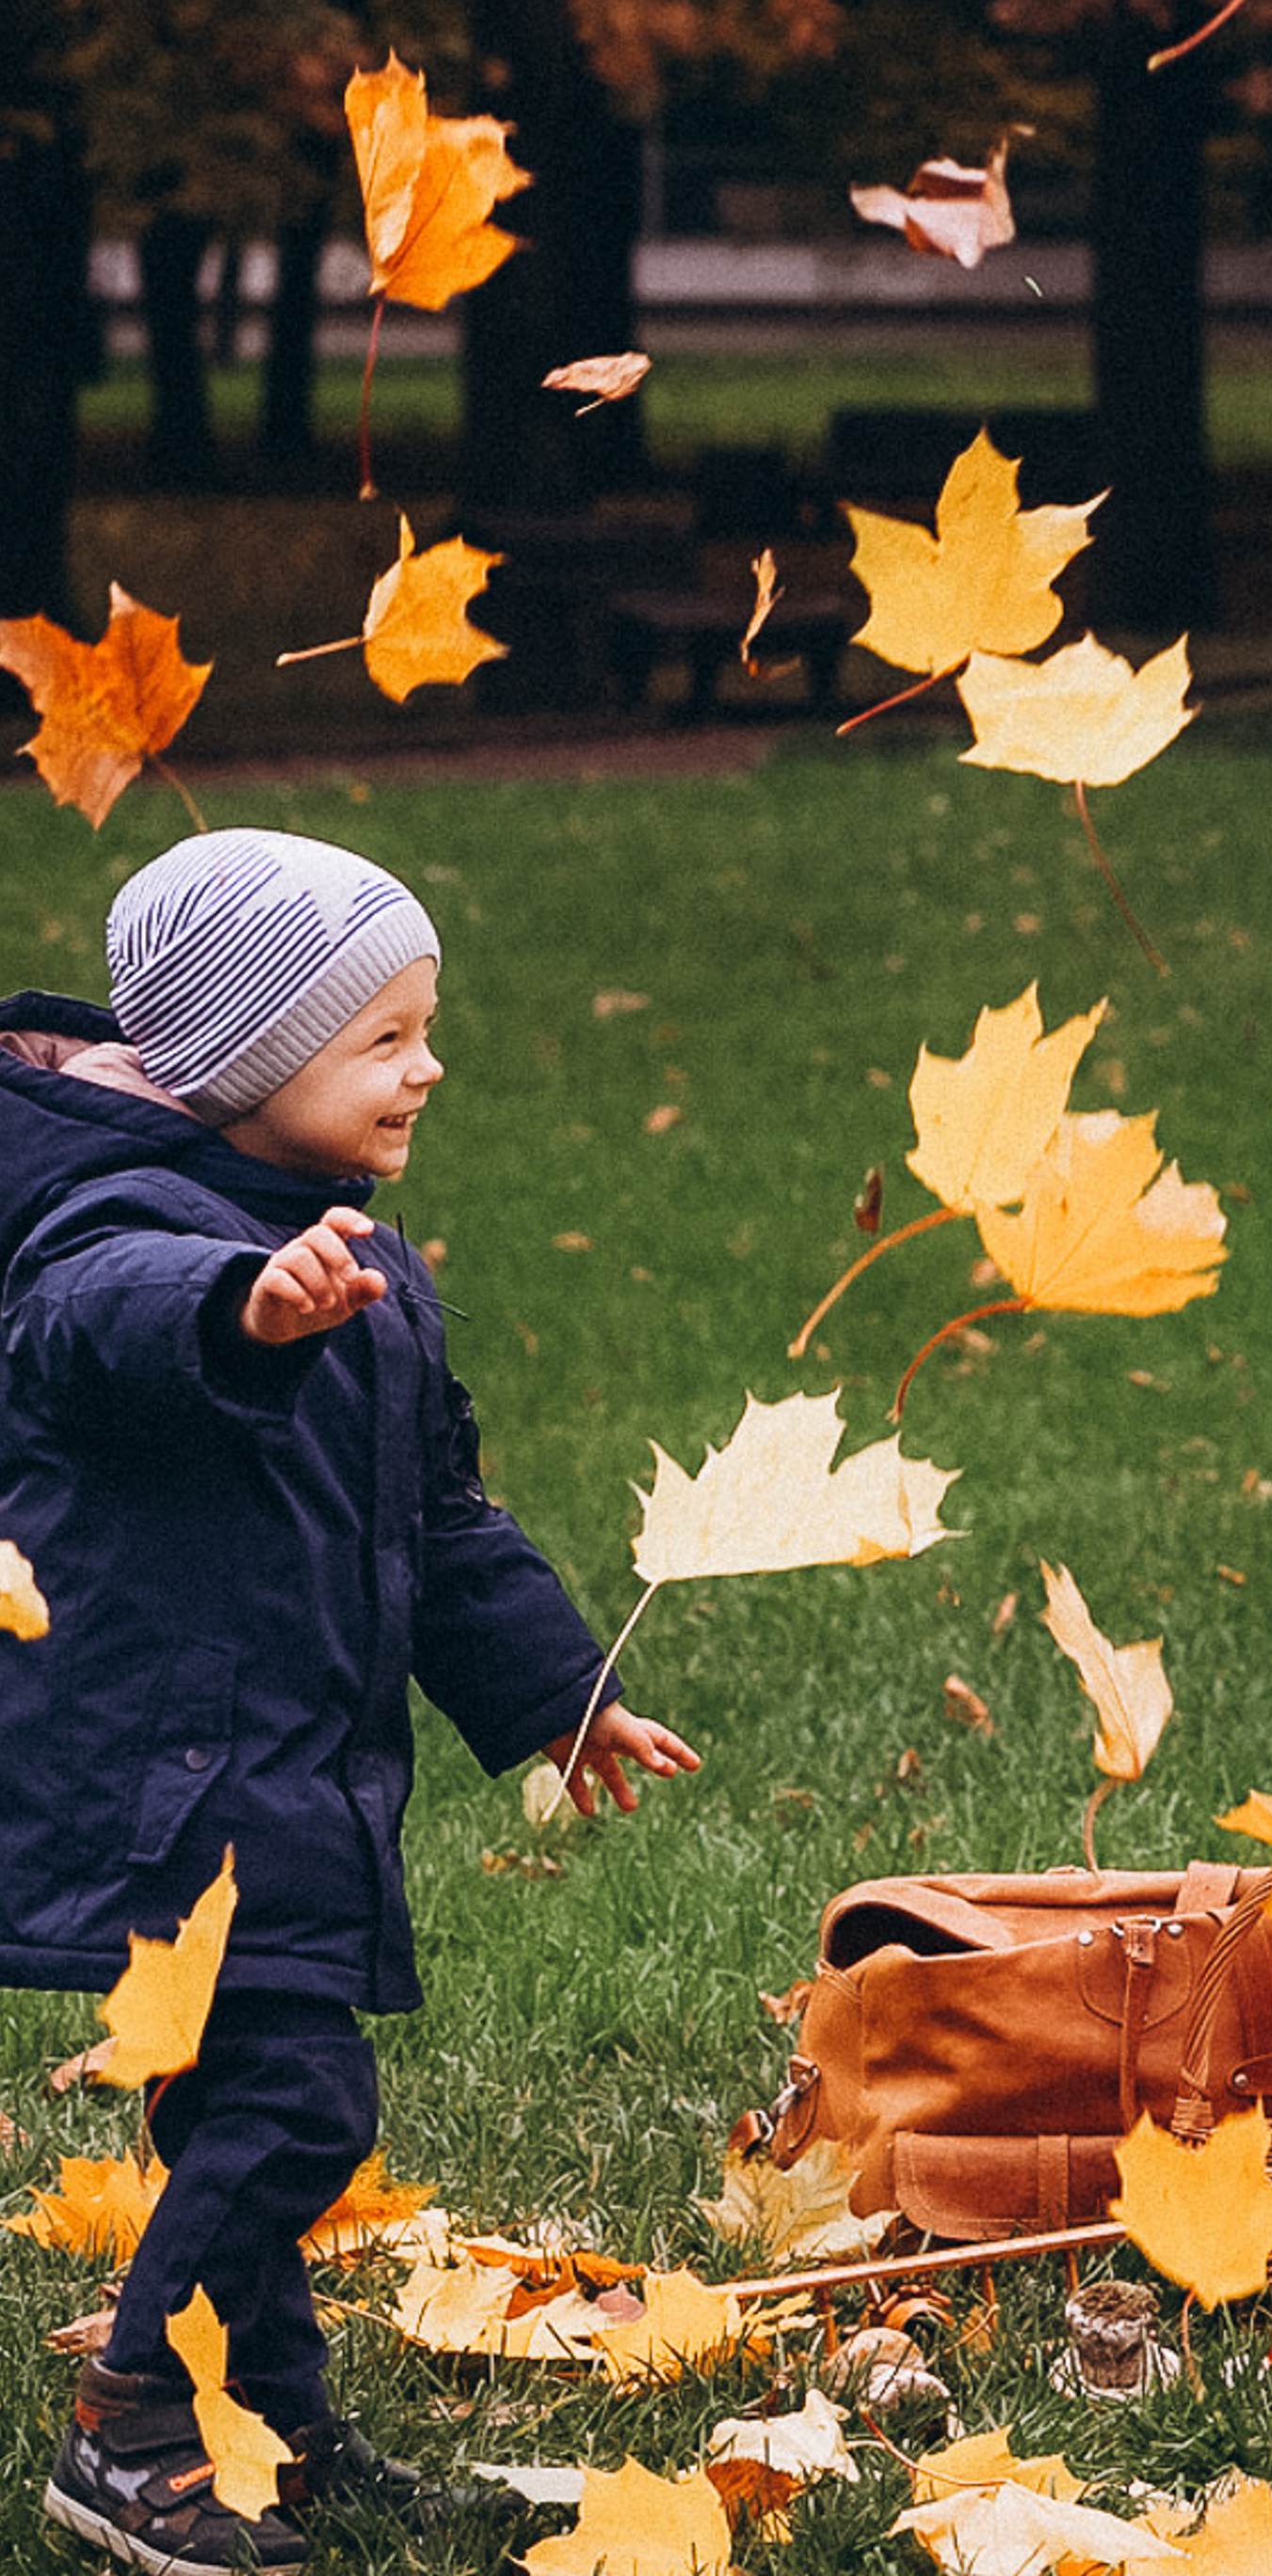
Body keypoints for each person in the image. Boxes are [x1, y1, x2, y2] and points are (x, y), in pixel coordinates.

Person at [0, 829, 698, 2571]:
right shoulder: (121, 1220)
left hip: (287, 1765)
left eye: (424, 1029)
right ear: (246, 1060)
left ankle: (268, 2424)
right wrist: (239, 1309)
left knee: (242, 2108)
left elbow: (437, 1518)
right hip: (177, 1774)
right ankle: (133, 2430)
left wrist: (558, 1691)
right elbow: (95, 1322)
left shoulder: (360, 1261)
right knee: (297, 2103)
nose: (427, 1066)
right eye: (382, 1038)